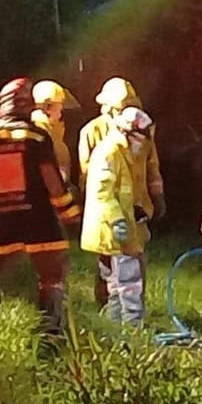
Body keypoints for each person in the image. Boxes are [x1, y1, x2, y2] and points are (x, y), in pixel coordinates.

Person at [0, 78, 82, 333]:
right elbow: (53, 182)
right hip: (39, 222)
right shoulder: (36, 137)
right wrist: (71, 216)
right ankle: (52, 330)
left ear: (1, 106)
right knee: (51, 276)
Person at [77, 77, 165, 306]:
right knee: (108, 261)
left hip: (136, 206)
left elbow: (151, 166)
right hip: (109, 208)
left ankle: (128, 311)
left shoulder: (140, 128)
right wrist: (102, 211)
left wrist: (157, 196)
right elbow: (90, 177)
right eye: (120, 107)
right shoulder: (93, 132)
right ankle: (107, 307)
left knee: (134, 263)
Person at [80, 106, 154, 325]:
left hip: (121, 226)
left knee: (115, 285)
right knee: (129, 282)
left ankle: (113, 326)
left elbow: (129, 188)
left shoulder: (126, 152)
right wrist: (117, 220)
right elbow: (102, 192)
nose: (144, 143)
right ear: (127, 133)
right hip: (112, 228)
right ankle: (133, 328)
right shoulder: (109, 153)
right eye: (141, 137)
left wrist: (139, 211)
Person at [31, 79, 80, 193]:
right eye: (59, 108)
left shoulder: (48, 127)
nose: (61, 113)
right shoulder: (41, 128)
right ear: (48, 107)